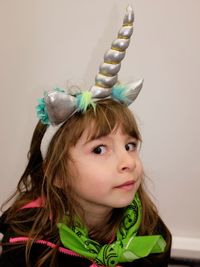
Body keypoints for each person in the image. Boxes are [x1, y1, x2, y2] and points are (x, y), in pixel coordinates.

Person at [0, 5, 171, 267]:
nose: (128, 161)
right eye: (99, 149)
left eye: (130, 145)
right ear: (57, 174)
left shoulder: (149, 227)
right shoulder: (25, 251)